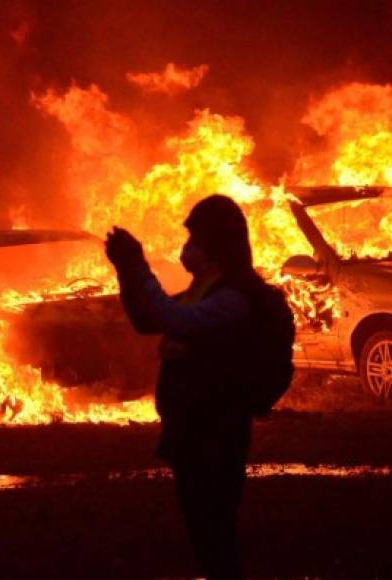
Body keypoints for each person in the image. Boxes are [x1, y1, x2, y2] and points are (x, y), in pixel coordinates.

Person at [105, 195, 275, 580]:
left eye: (195, 240)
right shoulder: (204, 289)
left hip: (218, 430)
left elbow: (173, 319)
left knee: (215, 532)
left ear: (214, 247)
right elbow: (149, 321)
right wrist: (126, 272)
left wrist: (139, 266)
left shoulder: (234, 298)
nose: (187, 249)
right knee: (202, 531)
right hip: (192, 429)